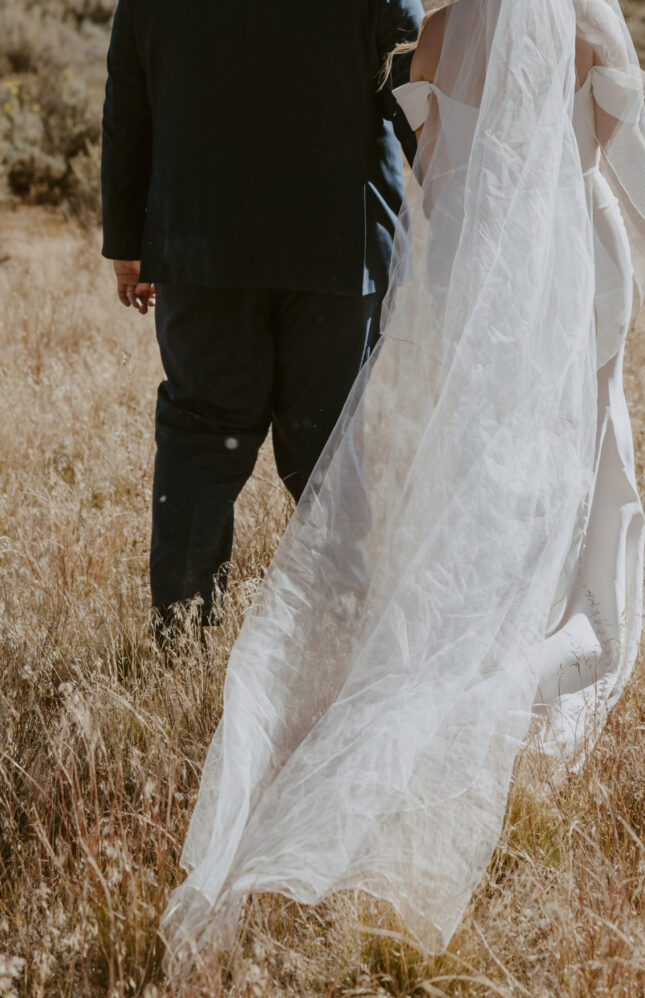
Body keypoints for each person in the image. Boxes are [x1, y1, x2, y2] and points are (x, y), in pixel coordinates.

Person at [159, 0, 645, 975]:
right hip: (573, 259)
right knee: (583, 470)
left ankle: (461, 646)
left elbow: (427, 175)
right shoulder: (582, 16)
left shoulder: (439, 30)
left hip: (470, 277)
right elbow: (626, 155)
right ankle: (527, 661)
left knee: (495, 477)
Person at [100, 0, 423, 644]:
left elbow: (128, 107)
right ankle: (338, 636)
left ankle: (183, 638)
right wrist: (457, 196)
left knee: (201, 434)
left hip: (201, 246)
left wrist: (126, 245)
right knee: (329, 447)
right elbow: (414, 82)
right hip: (337, 245)